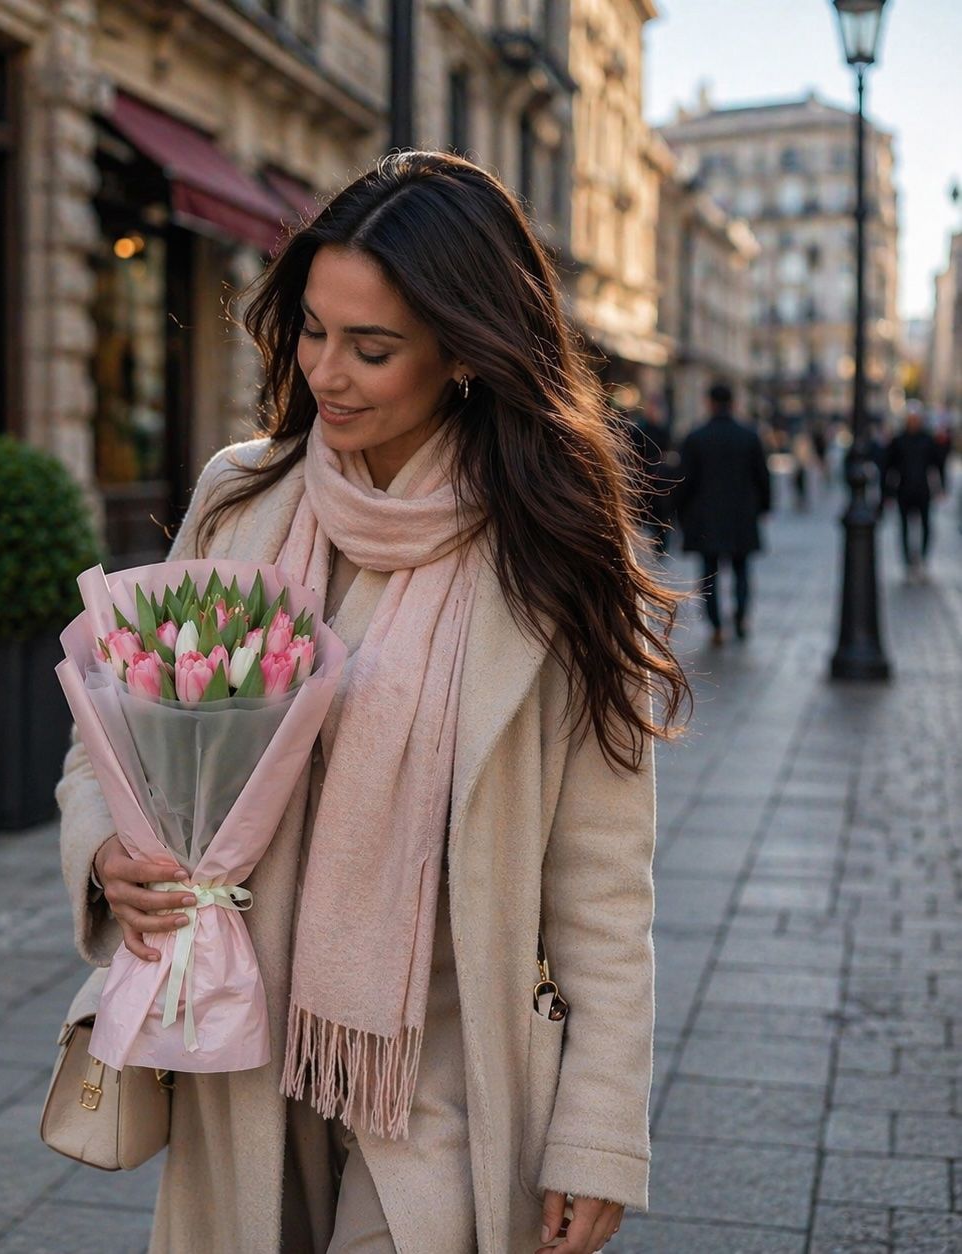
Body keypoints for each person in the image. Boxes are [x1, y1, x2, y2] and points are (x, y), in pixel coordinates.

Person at [55, 151, 689, 1254]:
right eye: (312, 331)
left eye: (373, 347)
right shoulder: (242, 497)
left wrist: (596, 1132)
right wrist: (109, 857)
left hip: (442, 1071)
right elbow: (105, 743)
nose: (328, 372)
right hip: (242, 1059)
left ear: (464, 352)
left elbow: (602, 881)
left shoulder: (560, 553)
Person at [675, 382, 772, 645]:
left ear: (709, 402)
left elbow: (684, 481)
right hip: (741, 516)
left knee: (709, 574)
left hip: (706, 518)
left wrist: (680, 515)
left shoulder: (696, 437)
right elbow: (762, 478)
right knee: (741, 570)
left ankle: (716, 625)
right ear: (734, 403)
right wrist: (763, 507)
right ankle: (740, 618)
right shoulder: (749, 437)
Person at [881, 405, 948, 579]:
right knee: (904, 527)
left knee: (926, 526)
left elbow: (938, 464)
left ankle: (923, 560)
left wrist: (941, 488)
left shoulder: (927, 440)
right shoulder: (899, 440)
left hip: (923, 490)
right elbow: (888, 467)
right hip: (903, 490)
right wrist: (887, 493)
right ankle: (908, 563)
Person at [623, 398, 676, 553]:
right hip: (643, 477)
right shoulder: (639, 430)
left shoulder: (663, 430)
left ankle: (661, 545)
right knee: (644, 513)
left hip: (660, 478)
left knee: (660, 514)